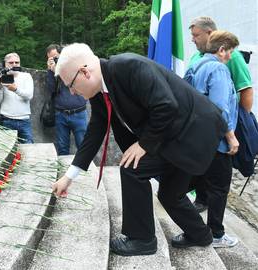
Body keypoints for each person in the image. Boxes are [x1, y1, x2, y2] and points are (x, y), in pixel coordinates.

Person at [52, 43, 227, 256]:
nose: (71, 91)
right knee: (170, 194)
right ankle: (201, 235)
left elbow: (166, 105)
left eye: (70, 84)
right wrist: (69, 177)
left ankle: (142, 239)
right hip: (172, 134)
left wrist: (143, 144)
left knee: (132, 167)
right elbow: (95, 131)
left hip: (192, 131)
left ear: (84, 72)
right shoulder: (99, 91)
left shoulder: (128, 66)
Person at [188, 17, 254, 213]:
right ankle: (201, 199)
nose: (192, 39)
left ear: (210, 35)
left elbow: (246, 89)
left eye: (196, 35)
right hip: (207, 128)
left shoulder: (232, 57)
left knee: (222, 170)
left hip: (226, 124)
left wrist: (241, 123)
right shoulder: (197, 58)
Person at [185, 31, 240, 248]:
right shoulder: (218, 69)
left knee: (196, 182)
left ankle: (195, 228)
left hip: (199, 139)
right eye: (230, 52)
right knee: (219, 189)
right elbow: (219, 110)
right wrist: (231, 137)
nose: (230, 57)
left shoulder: (196, 66)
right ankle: (216, 234)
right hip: (217, 142)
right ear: (221, 49)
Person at [46, 44, 88, 155]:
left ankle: (86, 171)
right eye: (51, 58)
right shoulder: (52, 70)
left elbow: (75, 82)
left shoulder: (75, 65)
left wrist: (60, 70)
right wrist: (51, 71)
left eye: (56, 57)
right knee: (62, 148)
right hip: (61, 115)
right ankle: (65, 172)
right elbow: (51, 89)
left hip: (79, 113)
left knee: (83, 146)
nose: (55, 60)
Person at [0, 52, 34, 144]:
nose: (14, 65)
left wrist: (16, 89)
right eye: (11, 63)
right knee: (7, 151)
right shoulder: (2, 77)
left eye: (17, 62)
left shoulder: (26, 76)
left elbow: (29, 95)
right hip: (7, 120)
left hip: (24, 121)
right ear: (5, 64)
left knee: (29, 148)